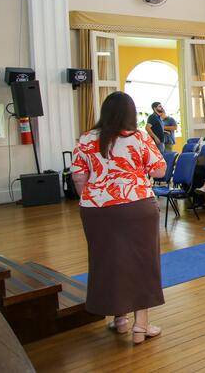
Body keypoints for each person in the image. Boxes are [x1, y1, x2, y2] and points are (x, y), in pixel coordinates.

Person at [71, 91, 166, 344]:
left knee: (109, 261)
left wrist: (95, 198)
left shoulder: (87, 138)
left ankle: (120, 319)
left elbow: (78, 176)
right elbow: (159, 169)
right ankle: (140, 327)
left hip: (96, 209)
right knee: (143, 262)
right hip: (137, 205)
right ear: (130, 113)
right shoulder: (139, 137)